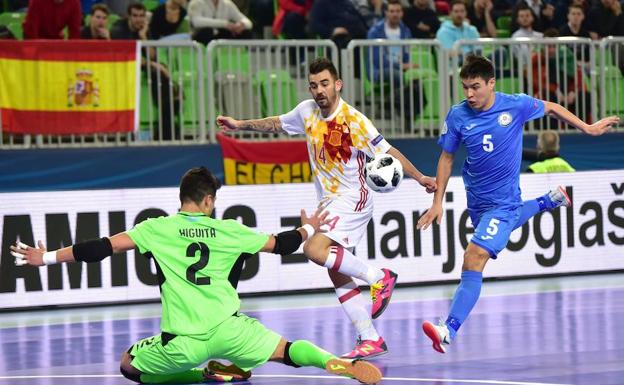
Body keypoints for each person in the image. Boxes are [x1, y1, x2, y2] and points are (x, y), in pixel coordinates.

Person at [10, 167, 383, 385]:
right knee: (287, 351)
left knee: (128, 364)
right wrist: (306, 229)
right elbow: (281, 245)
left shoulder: (156, 228)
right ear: (208, 200)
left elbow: (101, 248)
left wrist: (45, 258)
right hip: (231, 331)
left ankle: (203, 377)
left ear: (182, 197)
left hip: (183, 342)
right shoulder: (228, 229)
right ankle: (340, 365)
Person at [216, 57, 437, 360]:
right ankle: (369, 337)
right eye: (314, 85)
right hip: (327, 200)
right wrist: (240, 124)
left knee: (314, 249)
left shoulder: (354, 121)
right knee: (335, 269)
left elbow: (388, 152)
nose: (319, 90)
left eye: (324, 83)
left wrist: (421, 176)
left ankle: (379, 277)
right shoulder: (306, 111)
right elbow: (276, 124)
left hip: (353, 196)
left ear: (338, 85)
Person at [416, 55, 619, 354]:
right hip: (478, 201)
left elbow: (551, 107)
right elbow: (447, 157)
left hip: (503, 201)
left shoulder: (515, 105)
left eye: (475, 87)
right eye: (465, 88)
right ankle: (549, 201)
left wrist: (586, 127)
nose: (469, 94)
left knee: (474, 258)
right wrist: (437, 202)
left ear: (491, 83)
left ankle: (449, 328)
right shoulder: (458, 115)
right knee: (506, 222)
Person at [112, 2, 182, 141]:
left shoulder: (145, 29)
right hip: (123, 66)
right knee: (159, 74)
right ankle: (168, 126)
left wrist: (144, 37)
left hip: (142, 66)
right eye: (135, 16)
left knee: (160, 79)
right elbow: (130, 55)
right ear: (129, 17)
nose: (138, 19)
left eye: (141, 16)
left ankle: (166, 127)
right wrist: (156, 65)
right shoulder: (119, 29)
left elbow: (152, 55)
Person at [187, 0, 252, 46]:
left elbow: (247, 22)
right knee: (207, 32)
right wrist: (225, 24)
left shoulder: (227, 3)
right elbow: (196, 21)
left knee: (245, 32)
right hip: (201, 36)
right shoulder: (196, 2)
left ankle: (238, 58)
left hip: (221, 35)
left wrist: (242, 25)